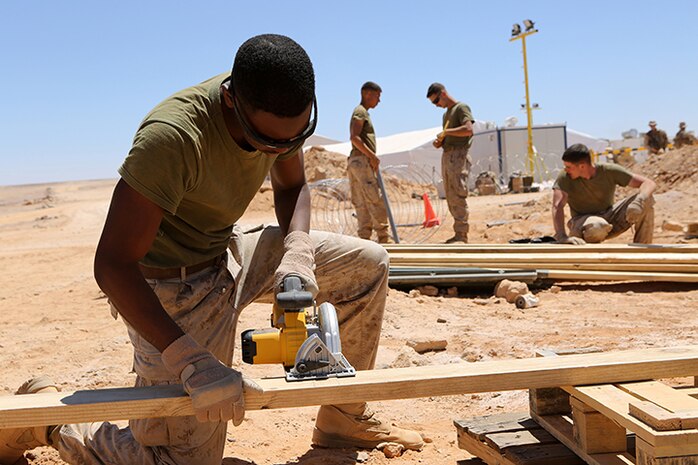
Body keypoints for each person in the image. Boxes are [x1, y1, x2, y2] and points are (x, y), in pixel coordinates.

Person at [0, 34, 422, 465]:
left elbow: (293, 186)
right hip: (169, 286)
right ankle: (49, 421)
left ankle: (342, 421)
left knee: (368, 265)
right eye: (268, 143)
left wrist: (297, 252)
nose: (279, 151)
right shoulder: (173, 138)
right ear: (229, 101)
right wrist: (189, 359)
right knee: (178, 460)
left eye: (290, 141)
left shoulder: (278, 103)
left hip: (229, 249)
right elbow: (112, 265)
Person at [552, 143, 656, 245]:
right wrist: (561, 235)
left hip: (609, 218)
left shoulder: (608, 171)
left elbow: (648, 183)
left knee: (647, 200)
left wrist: (640, 200)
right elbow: (557, 206)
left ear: (582, 166)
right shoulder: (565, 177)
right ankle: (590, 258)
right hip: (583, 223)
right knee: (597, 226)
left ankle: (641, 249)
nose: (565, 169)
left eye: (569, 167)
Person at [426, 83, 474, 243]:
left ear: (443, 93)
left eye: (436, 101)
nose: (436, 105)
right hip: (448, 155)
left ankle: (462, 234)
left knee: (458, 193)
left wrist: (447, 132)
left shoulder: (461, 108)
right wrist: (441, 141)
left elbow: (468, 129)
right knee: (451, 194)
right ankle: (458, 233)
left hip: (459, 155)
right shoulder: (446, 114)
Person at [347, 81, 391, 243]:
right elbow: (355, 137)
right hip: (362, 160)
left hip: (356, 160)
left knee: (361, 201)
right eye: (377, 96)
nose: (378, 101)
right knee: (374, 198)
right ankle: (383, 237)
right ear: (367, 94)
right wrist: (372, 156)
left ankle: (364, 238)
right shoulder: (360, 112)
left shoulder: (362, 112)